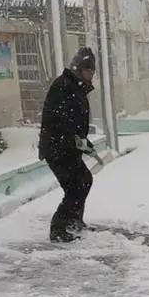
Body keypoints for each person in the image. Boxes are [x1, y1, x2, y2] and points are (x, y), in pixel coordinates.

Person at [39, 47, 99, 243]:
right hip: (58, 148)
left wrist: (84, 143)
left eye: (93, 71)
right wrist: (75, 140)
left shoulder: (75, 86)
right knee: (75, 187)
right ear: (79, 69)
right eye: (89, 70)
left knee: (84, 180)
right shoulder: (63, 87)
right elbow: (60, 121)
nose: (92, 74)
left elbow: (74, 123)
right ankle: (58, 228)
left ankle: (73, 222)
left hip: (69, 147)